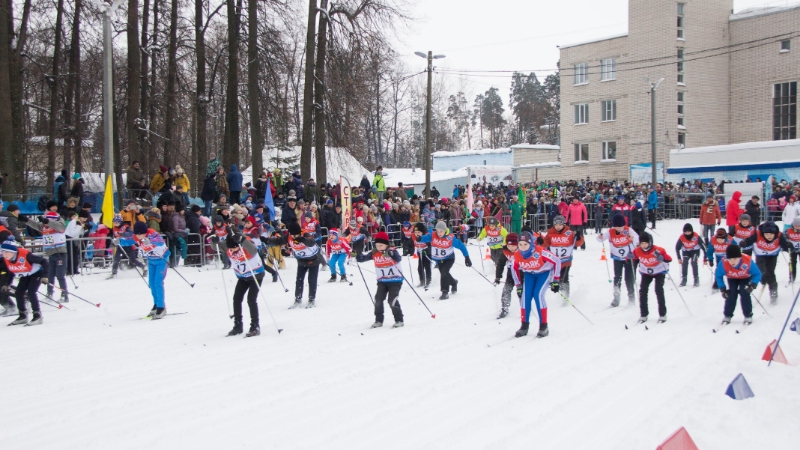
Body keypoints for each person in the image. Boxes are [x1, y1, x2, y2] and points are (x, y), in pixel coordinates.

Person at [511, 231, 560, 338]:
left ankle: (543, 326)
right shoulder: (516, 255)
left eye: (525, 245)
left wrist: (556, 280)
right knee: (525, 297)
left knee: (538, 295)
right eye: (520, 244)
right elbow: (513, 269)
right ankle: (524, 325)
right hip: (529, 274)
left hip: (544, 273)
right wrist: (518, 286)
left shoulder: (540, 252)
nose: (523, 247)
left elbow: (556, 260)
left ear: (531, 244)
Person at [267, 222, 324, 308]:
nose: (293, 237)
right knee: (299, 280)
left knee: (311, 280)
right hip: (302, 260)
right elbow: (278, 241)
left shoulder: (305, 233)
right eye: (292, 235)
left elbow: (311, 242)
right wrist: (266, 240)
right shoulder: (289, 236)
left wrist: (302, 239)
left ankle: (311, 299)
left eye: (296, 235)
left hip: (313, 260)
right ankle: (298, 299)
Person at [355, 231, 405, 328]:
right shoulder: (375, 252)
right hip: (382, 281)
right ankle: (378, 320)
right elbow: (364, 258)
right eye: (377, 245)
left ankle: (399, 320)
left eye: (381, 245)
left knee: (392, 300)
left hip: (395, 281)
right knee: (378, 299)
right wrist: (358, 256)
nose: (379, 247)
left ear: (386, 244)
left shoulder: (392, 250)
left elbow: (398, 258)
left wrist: (391, 254)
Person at [740, 221, 791, 305]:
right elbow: (750, 239)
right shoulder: (757, 233)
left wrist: (788, 245)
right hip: (760, 254)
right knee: (761, 271)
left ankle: (773, 291)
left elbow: (784, 245)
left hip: (773, 255)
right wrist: (745, 243)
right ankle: (763, 281)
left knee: (770, 272)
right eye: (766, 234)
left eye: (771, 234)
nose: (769, 236)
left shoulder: (779, 235)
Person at [418, 220, 472, 300]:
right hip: (439, 260)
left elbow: (461, 246)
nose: (439, 233)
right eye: (438, 231)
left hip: (449, 258)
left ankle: (445, 292)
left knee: (444, 272)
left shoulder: (450, 238)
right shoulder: (433, 235)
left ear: (445, 230)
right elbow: (426, 238)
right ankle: (454, 283)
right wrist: (420, 238)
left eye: (441, 231)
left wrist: (467, 257)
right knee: (444, 274)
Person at [2, 238, 49, 326]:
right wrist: (7, 284)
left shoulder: (25, 255)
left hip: (37, 273)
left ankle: (37, 315)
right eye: (3, 251)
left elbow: (44, 261)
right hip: (25, 274)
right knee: (18, 293)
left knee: (31, 292)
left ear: (13, 251)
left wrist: (45, 276)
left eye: (6, 251)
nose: (4, 254)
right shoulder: (8, 258)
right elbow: (11, 271)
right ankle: (23, 315)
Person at [224, 234, 264, 337]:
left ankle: (255, 326)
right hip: (243, 277)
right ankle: (238, 325)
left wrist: (242, 240)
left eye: (234, 247)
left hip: (256, 275)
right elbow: (217, 246)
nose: (232, 250)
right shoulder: (230, 249)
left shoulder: (246, 248)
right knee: (236, 299)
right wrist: (213, 241)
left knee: (251, 299)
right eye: (231, 248)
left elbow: (254, 249)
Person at [25, 211, 69, 302]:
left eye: (49, 221)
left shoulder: (59, 226)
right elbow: (35, 225)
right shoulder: (45, 227)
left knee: (60, 275)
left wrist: (47, 221)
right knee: (50, 275)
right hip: (50, 254)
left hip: (60, 254)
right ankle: (49, 293)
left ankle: (64, 295)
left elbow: (58, 226)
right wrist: (26, 220)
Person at [597, 214, 640, 307]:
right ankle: (616, 297)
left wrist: (633, 239)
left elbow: (637, 239)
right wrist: (600, 237)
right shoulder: (611, 231)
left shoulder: (628, 230)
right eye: (617, 227)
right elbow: (600, 239)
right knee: (617, 277)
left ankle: (631, 297)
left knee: (628, 278)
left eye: (620, 227)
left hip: (628, 258)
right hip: (617, 258)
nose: (619, 229)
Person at [715, 244, 761, 325]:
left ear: (740, 257)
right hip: (732, 278)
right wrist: (722, 288)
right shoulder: (723, 263)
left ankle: (748, 315)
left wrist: (753, 285)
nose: (732, 262)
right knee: (731, 293)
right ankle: (727, 315)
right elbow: (718, 276)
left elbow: (757, 274)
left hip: (745, 277)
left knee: (744, 292)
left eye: (735, 259)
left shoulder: (747, 261)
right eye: (730, 259)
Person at [132, 222, 170, 319]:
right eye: (137, 234)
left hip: (161, 261)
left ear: (145, 232)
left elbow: (160, 243)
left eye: (140, 234)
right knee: (151, 283)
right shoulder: (138, 237)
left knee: (158, 282)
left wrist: (151, 242)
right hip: (151, 261)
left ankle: (161, 306)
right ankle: (156, 304)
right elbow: (128, 240)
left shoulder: (154, 235)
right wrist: (118, 241)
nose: (138, 236)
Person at [633, 232, 672, 324]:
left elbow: (669, 259)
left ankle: (662, 314)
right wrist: (630, 258)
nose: (644, 245)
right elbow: (633, 258)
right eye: (642, 243)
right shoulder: (637, 250)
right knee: (642, 291)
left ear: (650, 242)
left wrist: (662, 258)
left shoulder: (657, 250)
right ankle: (643, 314)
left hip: (659, 271)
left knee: (658, 290)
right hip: (646, 272)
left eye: (646, 243)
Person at [542, 215, 584, 299]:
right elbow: (544, 244)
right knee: (557, 277)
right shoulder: (550, 233)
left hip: (566, 260)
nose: (558, 227)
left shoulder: (569, 233)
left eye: (560, 225)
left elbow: (578, 243)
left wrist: (579, 237)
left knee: (564, 277)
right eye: (556, 225)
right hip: (555, 261)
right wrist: (540, 241)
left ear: (563, 224)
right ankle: (560, 290)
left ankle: (566, 294)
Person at [494, 232, 519, 319]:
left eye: (513, 246)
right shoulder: (505, 252)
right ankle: (505, 308)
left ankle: (525, 308)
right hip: (511, 274)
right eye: (509, 246)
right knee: (506, 290)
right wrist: (498, 277)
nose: (511, 248)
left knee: (521, 292)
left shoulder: (522, 250)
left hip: (522, 275)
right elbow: (500, 264)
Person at [476, 217, 509, 283]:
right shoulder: (486, 228)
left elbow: (506, 235)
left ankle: (499, 268)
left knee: (498, 258)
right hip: (492, 246)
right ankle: (497, 264)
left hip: (499, 246)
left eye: (493, 226)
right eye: (490, 226)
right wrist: (480, 238)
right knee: (493, 257)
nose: (491, 227)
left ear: (496, 225)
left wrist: (504, 242)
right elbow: (483, 234)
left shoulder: (500, 228)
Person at [675, 223, 706, 288]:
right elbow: (677, 247)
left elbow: (704, 247)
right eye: (686, 232)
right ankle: (684, 279)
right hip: (686, 251)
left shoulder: (696, 236)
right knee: (685, 262)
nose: (687, 233)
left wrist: (705, 258)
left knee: (694, 262)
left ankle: (696, 279)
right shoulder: (682, 237)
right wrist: (679, 258)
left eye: (689, 231)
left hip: (695, 251)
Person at [411, 223, 432, 288]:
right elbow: (410, 244)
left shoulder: (426, 237)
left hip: (427, 254)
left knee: (427, 267)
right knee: (420, 268)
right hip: (420, 254)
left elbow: (431, 246)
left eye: (419, 232)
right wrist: (407, 249)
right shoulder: (414, 237)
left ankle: (428, 280)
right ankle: (422, 280)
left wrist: (427, 251)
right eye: (415, 232)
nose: (417, 234)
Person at [786, 217, 800, 284]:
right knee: (792, 263)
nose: (797, 227)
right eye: (796, 226)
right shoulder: (788, 230)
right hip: (792, 249)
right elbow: (784, 237)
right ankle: (792, 278)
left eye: (799, 226)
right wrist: (787, 242)